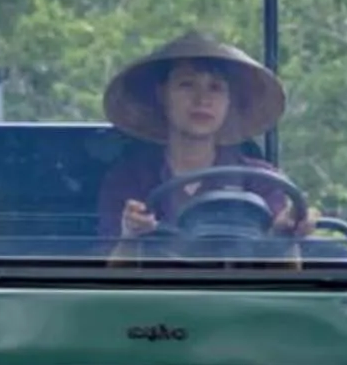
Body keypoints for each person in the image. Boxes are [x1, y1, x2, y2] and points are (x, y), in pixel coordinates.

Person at [95, 31, 304, 247]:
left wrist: (286, 230)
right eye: (187, 84)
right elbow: (109, 267)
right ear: (162, 95)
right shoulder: (129, 179)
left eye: (215, 88)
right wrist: (129, 235)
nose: (202, 99)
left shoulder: (262, 180)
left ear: (229, 101)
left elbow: (280, 261)